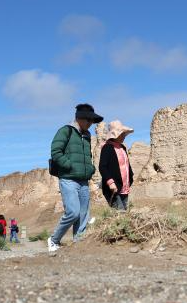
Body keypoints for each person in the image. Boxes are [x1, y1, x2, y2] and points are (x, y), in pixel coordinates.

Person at [48, 102, 103, 252]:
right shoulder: (66, 131)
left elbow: (88, 156)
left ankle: (78, 243)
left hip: (84, 180)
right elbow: (56, 151)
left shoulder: (87, 135)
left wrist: (90, 169)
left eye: (92, 121)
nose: (91, 123)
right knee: (73, 212)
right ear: (80, 118)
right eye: (89, 120)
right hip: (68, 179)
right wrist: (69, 165)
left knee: (83, 215)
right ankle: (54, 240)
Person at [99, 119, 135, 211]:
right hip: (113, 188)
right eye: (122, 134)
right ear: (115, 135)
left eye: (124, 133)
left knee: (125, 212)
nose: (124, 136)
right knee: (120, 213)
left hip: (124, 187)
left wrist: (131, 177)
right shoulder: (107, 148)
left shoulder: (122, 147)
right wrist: (110, 182)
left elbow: (127, 165)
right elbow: (102, 167)